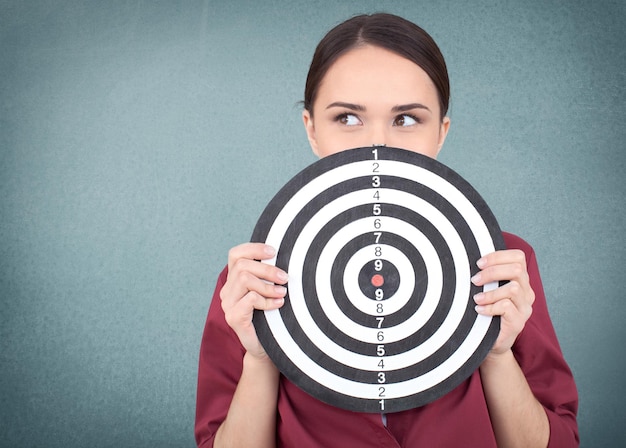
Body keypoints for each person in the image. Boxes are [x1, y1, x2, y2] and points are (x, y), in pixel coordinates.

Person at [195, 13, 578, 448]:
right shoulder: (254, 279)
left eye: (408, 119)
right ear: (312, 131)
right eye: (348, 118)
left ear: (441, 134)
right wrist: (262, 356)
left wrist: (495, 353)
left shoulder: (503, 264)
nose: (377, 143)